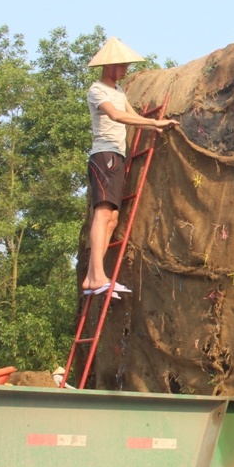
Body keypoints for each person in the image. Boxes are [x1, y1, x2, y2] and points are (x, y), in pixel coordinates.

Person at [83, 37, 179, 295]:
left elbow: (133, 117)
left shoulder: (118, 91)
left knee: (112, 218)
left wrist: (158, 123)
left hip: (117, 156)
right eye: (122, 65)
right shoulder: (97, 90)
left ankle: (92, 276)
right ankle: (97, 275)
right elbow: (116, 115)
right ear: (109, 65)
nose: (126, 69)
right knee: (103, 213)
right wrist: (154, 123)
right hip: (104, 156)